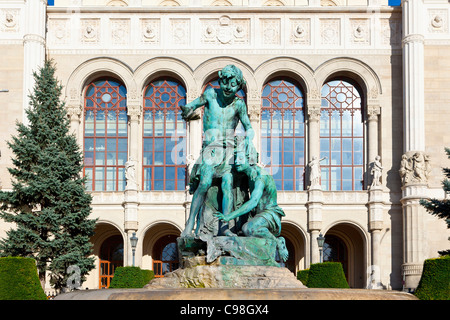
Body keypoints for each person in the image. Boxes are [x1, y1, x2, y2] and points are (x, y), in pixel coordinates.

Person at [180, 65, 255, 238]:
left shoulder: (239, 104)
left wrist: (248, 139)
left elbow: (249, 127)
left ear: (239, 86)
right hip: (210, 149)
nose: (229, 87)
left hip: (228, 149)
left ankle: (224, 227)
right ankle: (190, 224)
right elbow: (190, 106)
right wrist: (187, 111)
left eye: (234, 84)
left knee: (227, 185)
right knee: (205, 183)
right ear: (220, 81)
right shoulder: (210, 94)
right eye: (225, 82)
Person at [214, 140, 289, 262]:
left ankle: (278, 242)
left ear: (250, 160)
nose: (237, 161)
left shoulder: (260, 177)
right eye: (236, 158)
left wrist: (228, 216)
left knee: (248, 229)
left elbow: (253, 201)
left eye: (241, 158)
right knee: (241, 232)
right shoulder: (249, 175)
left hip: (270, 214)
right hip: (257, 214)